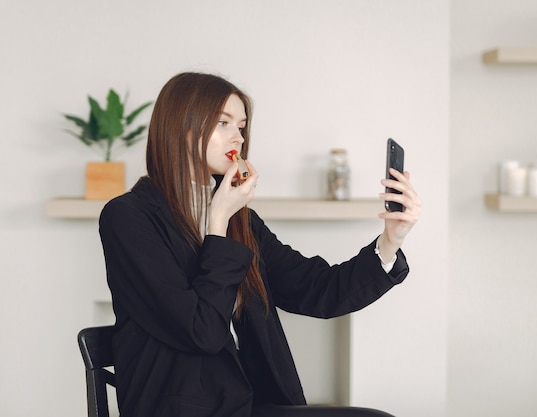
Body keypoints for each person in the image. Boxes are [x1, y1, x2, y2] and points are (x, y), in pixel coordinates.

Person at [98, 72, 421, 417]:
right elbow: (201, 331)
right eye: (223, 122)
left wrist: (390, 241)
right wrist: (217, 223)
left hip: (251, 403)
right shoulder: (128, 217)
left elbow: (319, 289)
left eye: (241, 126)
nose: (237, 136)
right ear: (181, 126)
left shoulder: (242, 219)